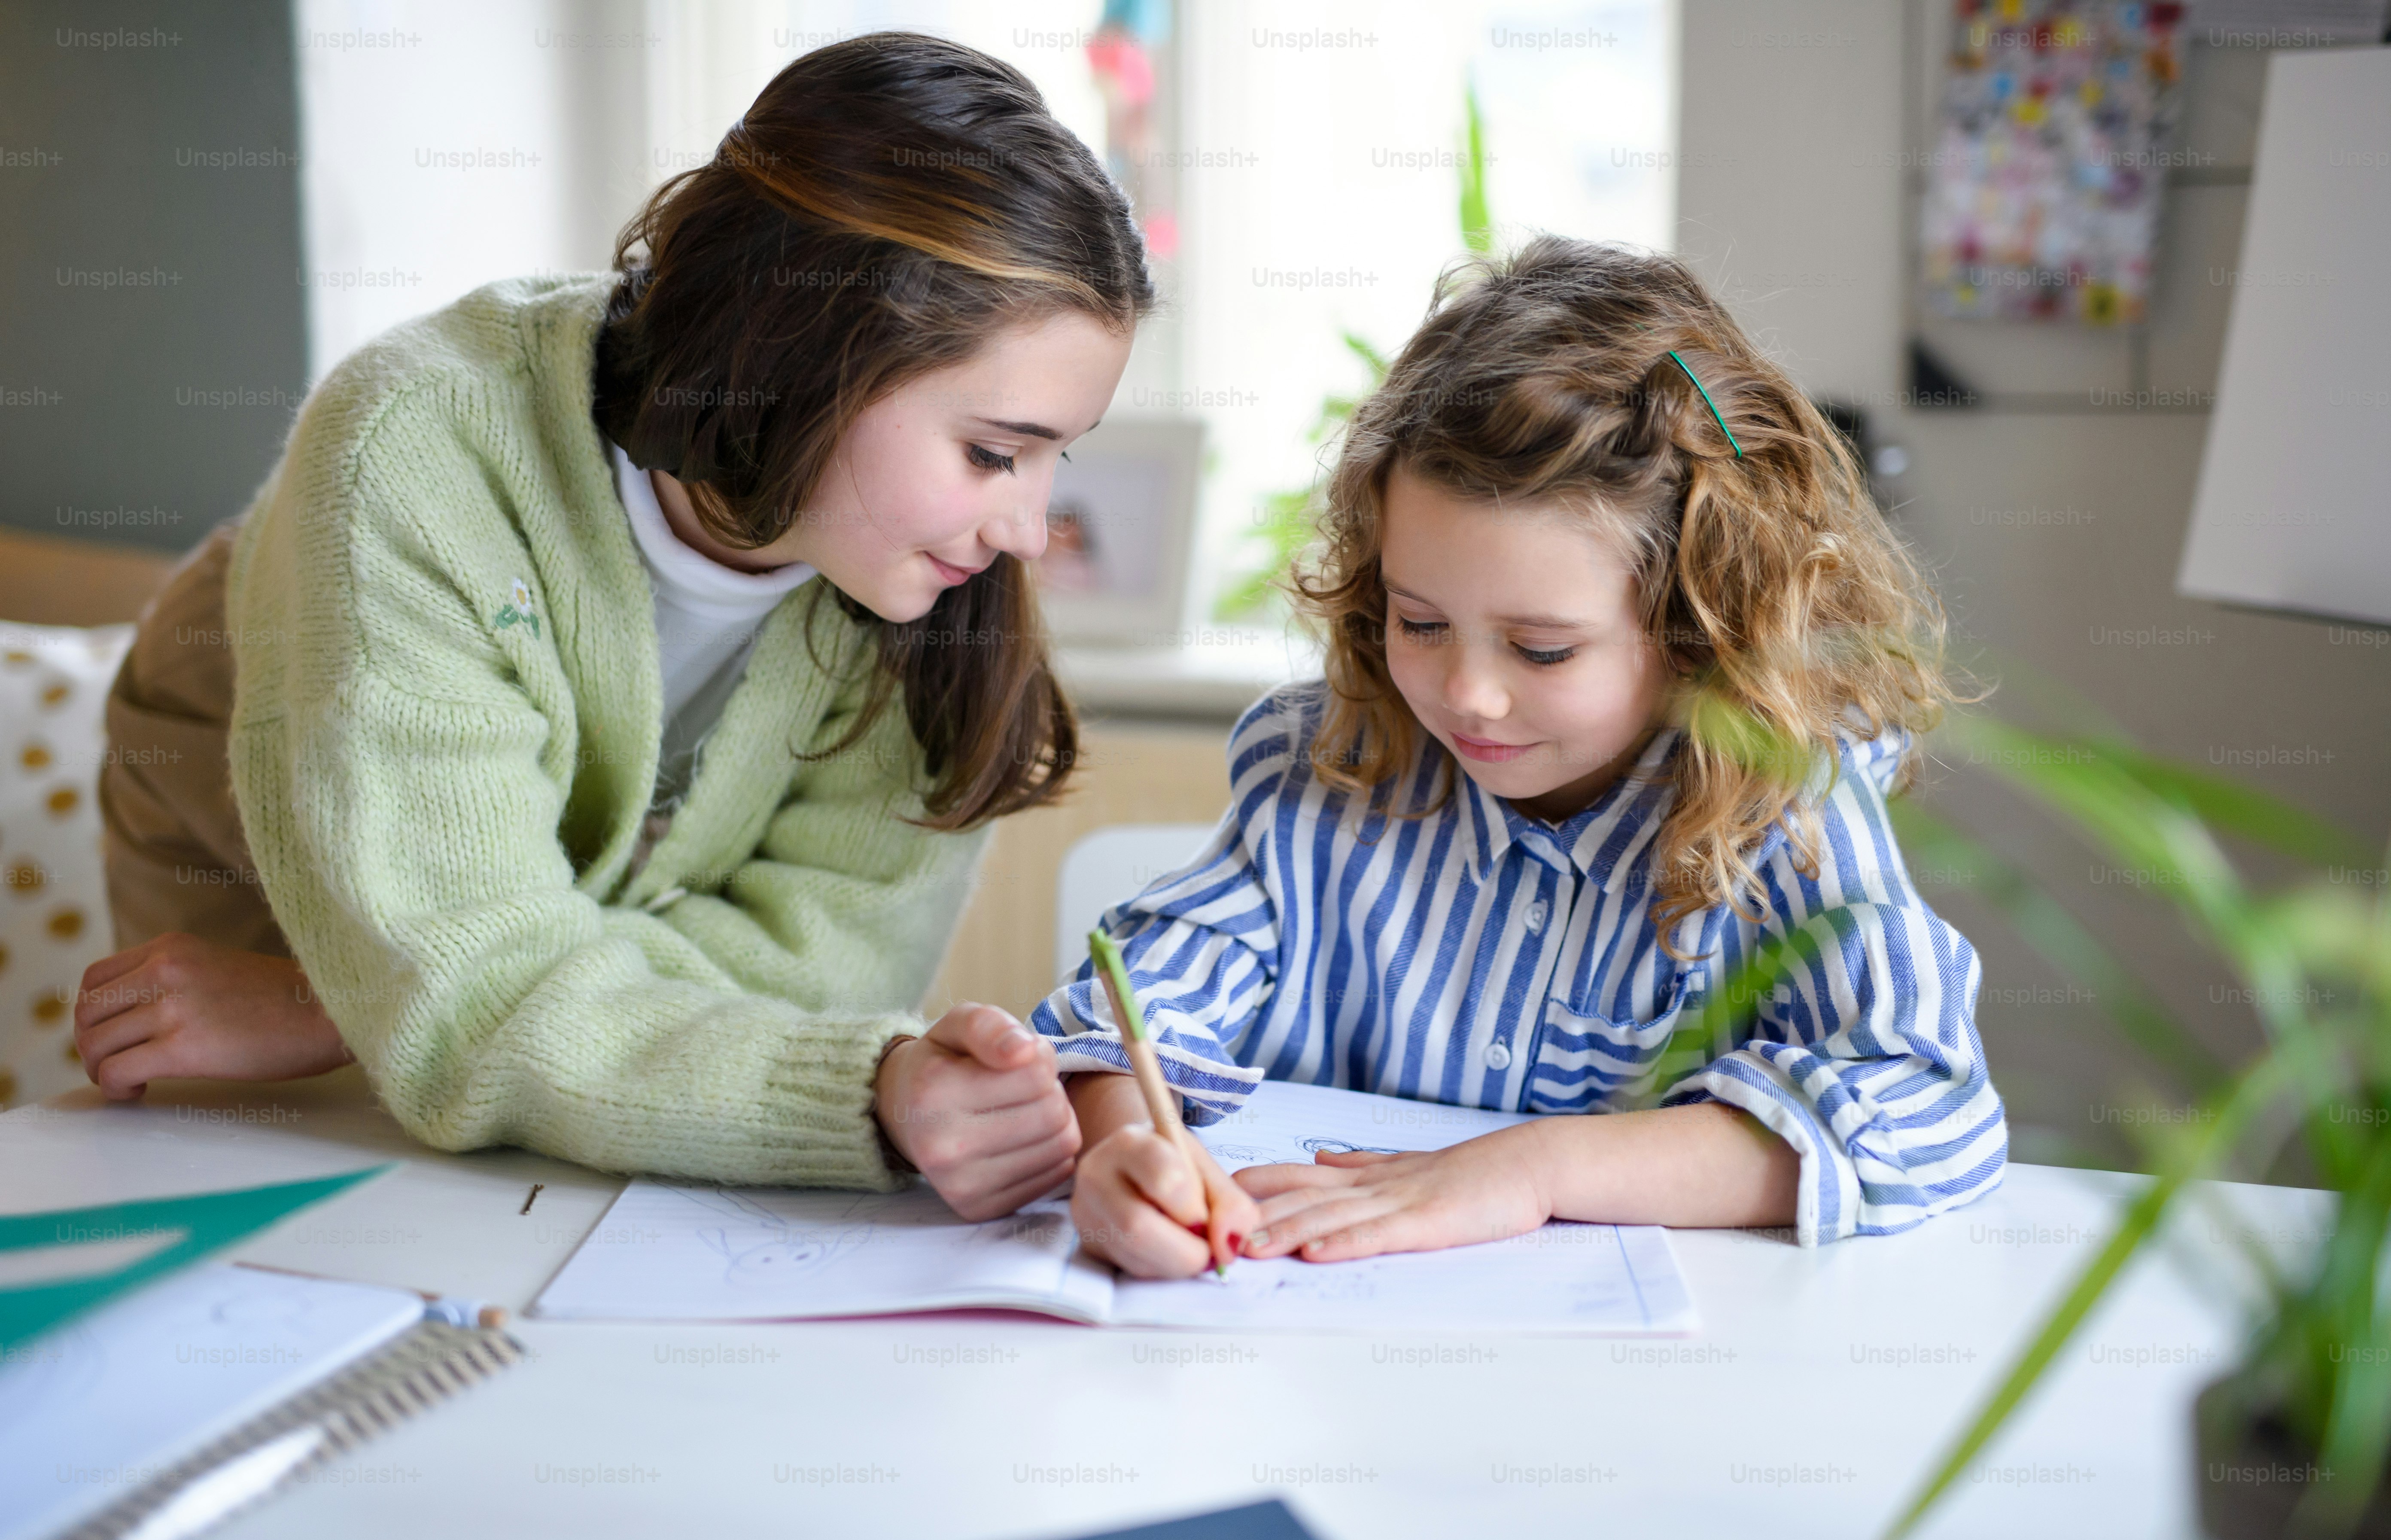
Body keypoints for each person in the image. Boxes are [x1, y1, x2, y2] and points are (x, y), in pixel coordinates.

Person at [76, 33, 1142, 1220]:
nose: (1030, 529)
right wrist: (428, 992)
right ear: (800, 359)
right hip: (247, 835)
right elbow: (470, 1004)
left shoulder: (929, 577)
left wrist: (338, 1004)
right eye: (995, 453)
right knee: (285, 1230)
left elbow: (816, 981)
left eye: (1054, 459)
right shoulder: (419, 449)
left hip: (387, 973)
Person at [1039, 238, 2009, 1276]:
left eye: (1543, 648)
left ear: (1702, 625)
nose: (1467, 692)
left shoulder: (1785, 801)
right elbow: (1122, 1014)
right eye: (1419, 621)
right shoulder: (1334, 758)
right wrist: (1124, 1145)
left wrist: (1534, 1168)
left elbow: (1930, 1108)